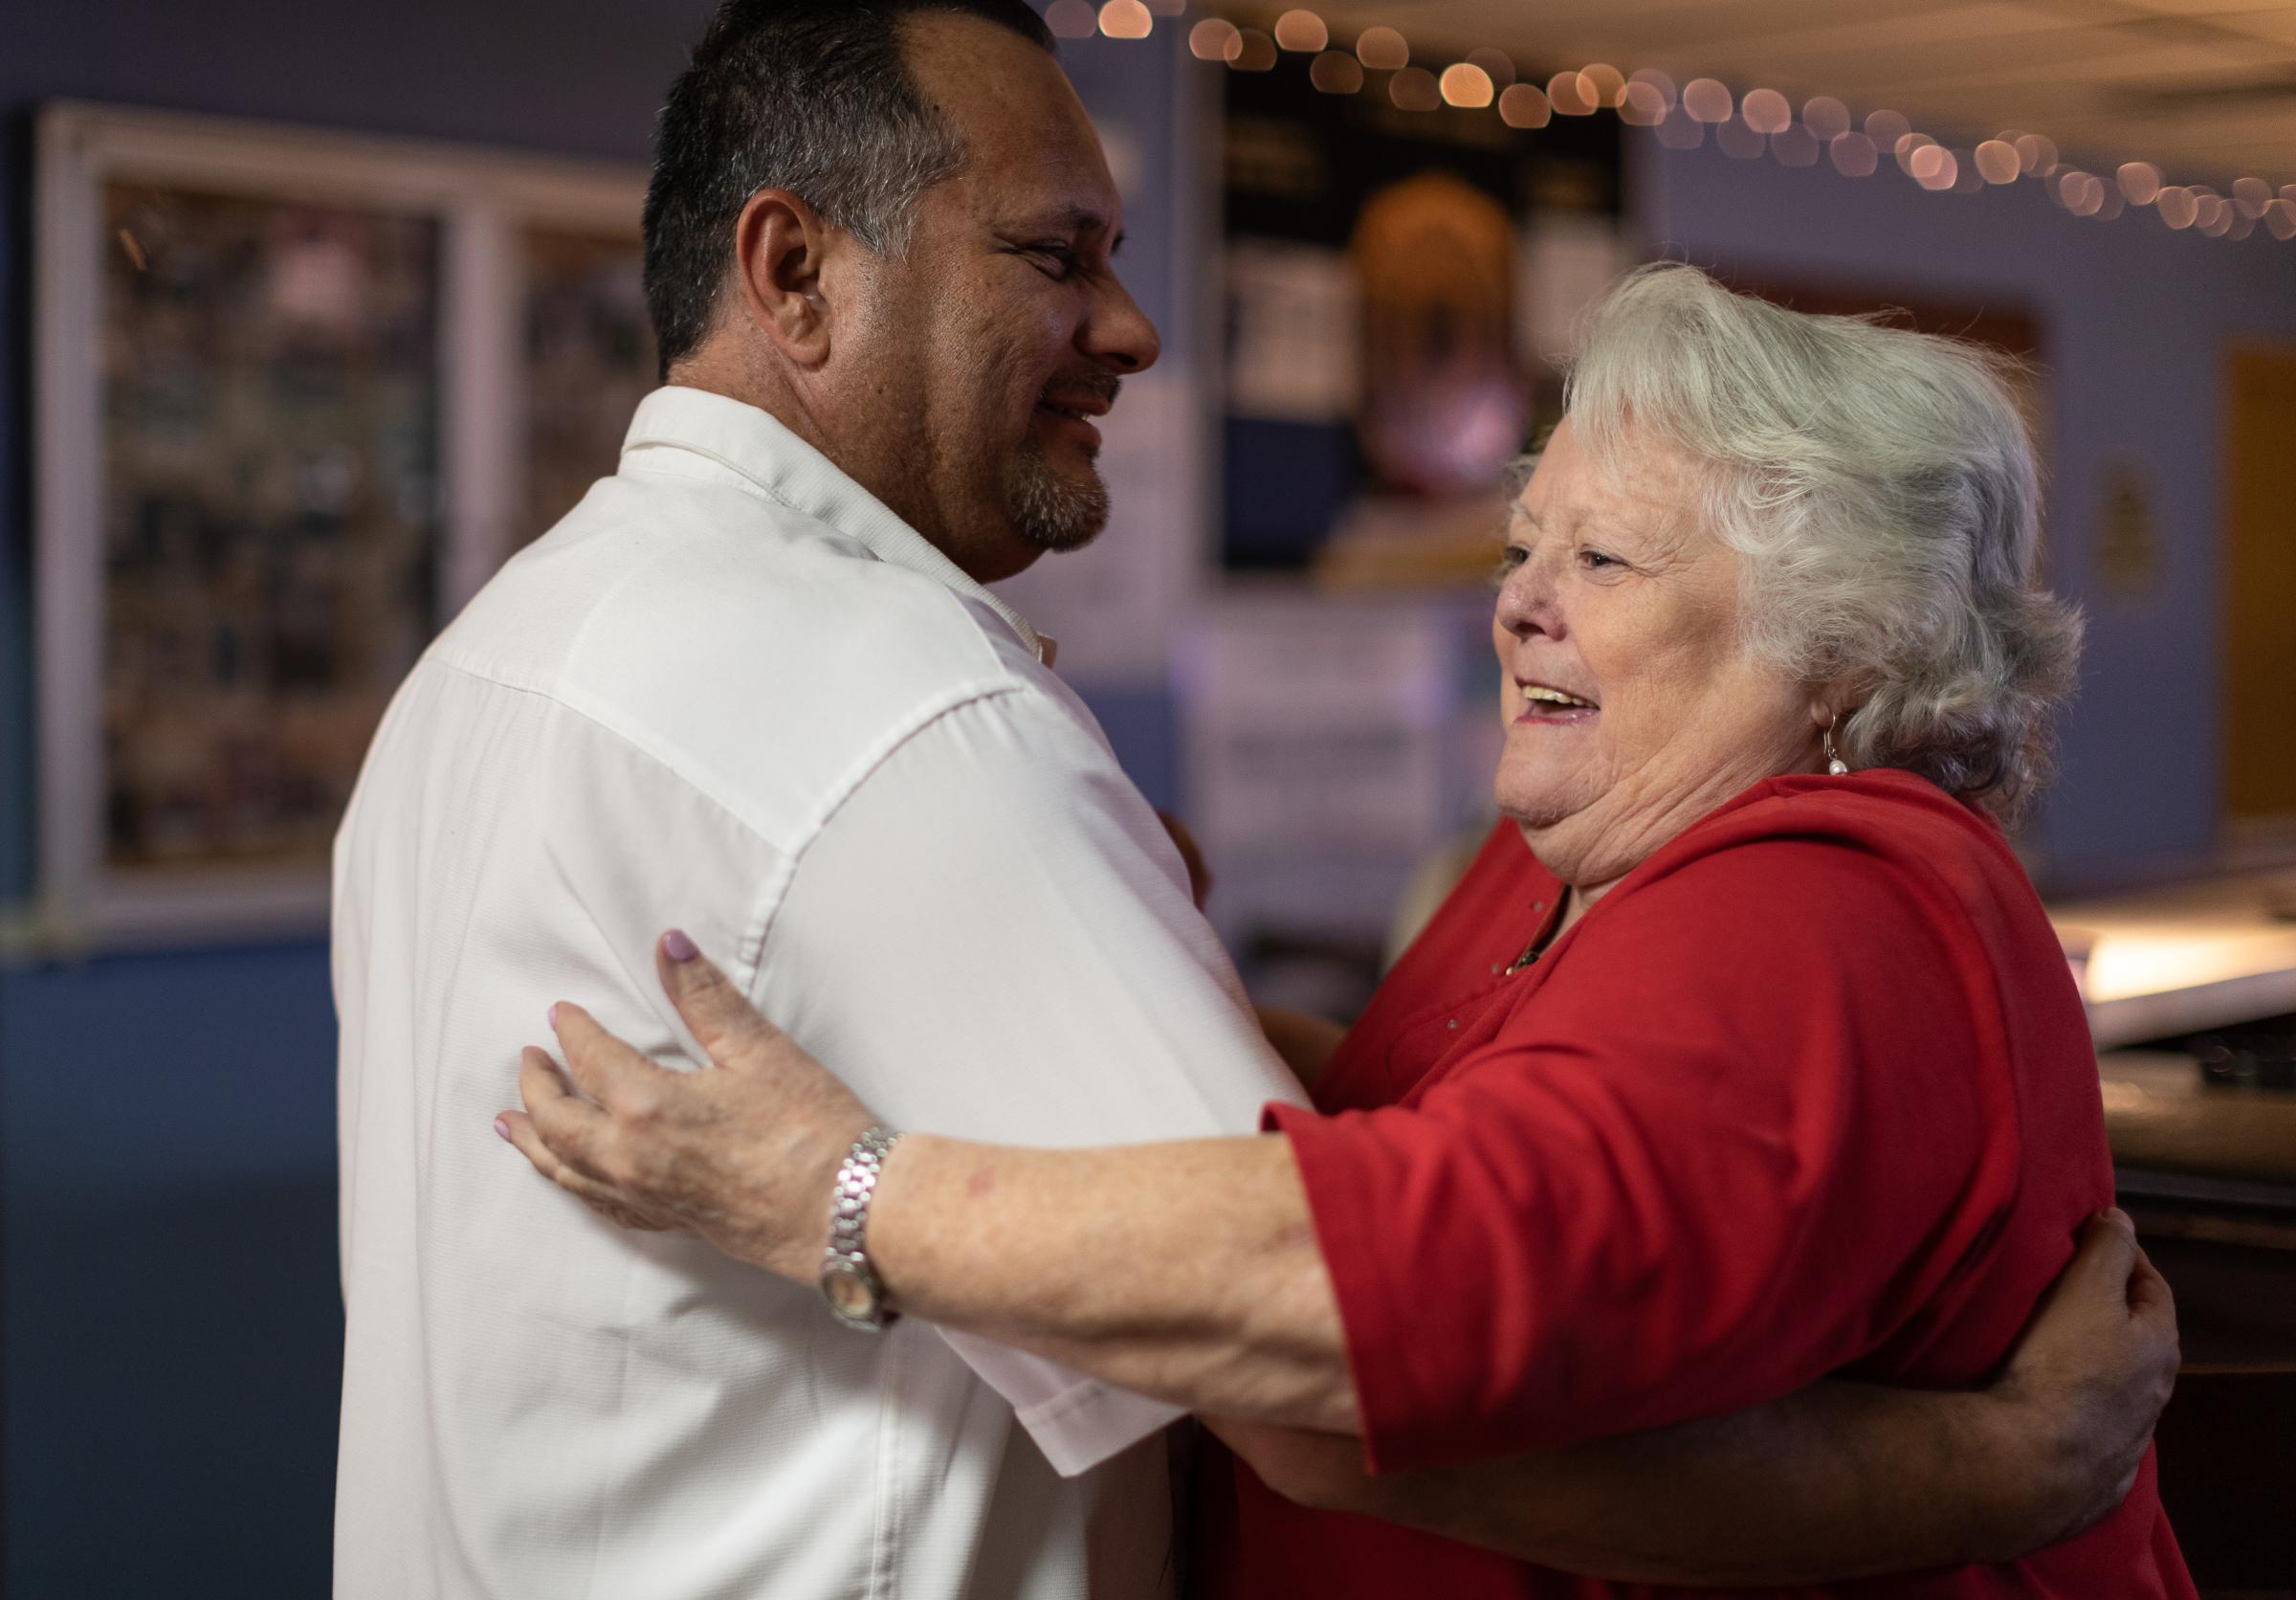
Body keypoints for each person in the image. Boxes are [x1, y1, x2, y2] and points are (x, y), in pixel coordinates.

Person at [499, 264, 2196, 1597]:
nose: (1518, 594)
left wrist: (839, 1196)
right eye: (1527, 542)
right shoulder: (1566, 851)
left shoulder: (1833, 901)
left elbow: (1410, 1278)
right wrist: (1127, 945)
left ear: (1840, 637)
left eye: (1603, 557)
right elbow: (1424, 1101)